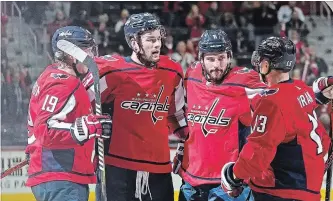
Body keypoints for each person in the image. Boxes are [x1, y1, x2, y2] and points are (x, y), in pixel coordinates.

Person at [86, 13, 188, 201]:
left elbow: (177, 113)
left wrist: (188, 144)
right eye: (150, 40)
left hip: (159, 168)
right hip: (119, 169)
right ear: (134, 43)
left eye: (159, 39)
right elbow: (84, 104)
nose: (157, 44)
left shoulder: (172, 71)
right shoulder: (112, 71)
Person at [221, 37, 331, 201]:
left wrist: (233, 175)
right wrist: (321, 94)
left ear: (266, 65)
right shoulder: (301, 89)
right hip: (309, 189)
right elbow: (295, 110)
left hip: (280, 191)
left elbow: (258, 153)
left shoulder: (271, 102)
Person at [173, 29, 266, 201]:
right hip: (191, 179)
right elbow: (184, 117)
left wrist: (267, 74)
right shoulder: (191, 76)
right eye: (210, 59)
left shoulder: (246, 81)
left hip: (230, 182)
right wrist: (181, 149)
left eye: (221, 58)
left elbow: (279, 98)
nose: (216, 65)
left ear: (229, 56)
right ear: (200, 58)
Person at [25, 26, 112, 201]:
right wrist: (85, 128)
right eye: (86, 49)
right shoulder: (63, 84)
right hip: (60, 175)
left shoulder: (51, 75)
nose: (91, 56)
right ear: (71, 53)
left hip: (58, 175)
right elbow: (45, 130)